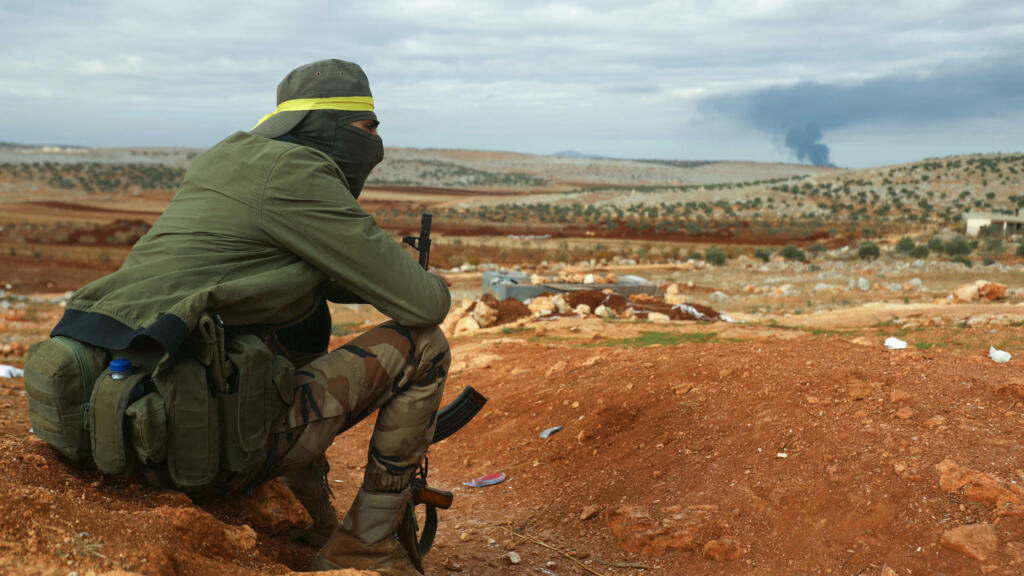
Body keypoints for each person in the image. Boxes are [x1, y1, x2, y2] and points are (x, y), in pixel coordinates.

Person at [40, 59, 451, 575]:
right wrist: (424, 280)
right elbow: (424, 305)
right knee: (425, 343)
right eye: (368, 127)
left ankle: (312, 516)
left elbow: (300, 274)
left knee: (299, 316)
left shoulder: (227, 159)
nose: (375, 142)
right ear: (326, 126)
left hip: (123, 433)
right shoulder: (298, 172)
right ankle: (365, 547)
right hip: (198, 450)